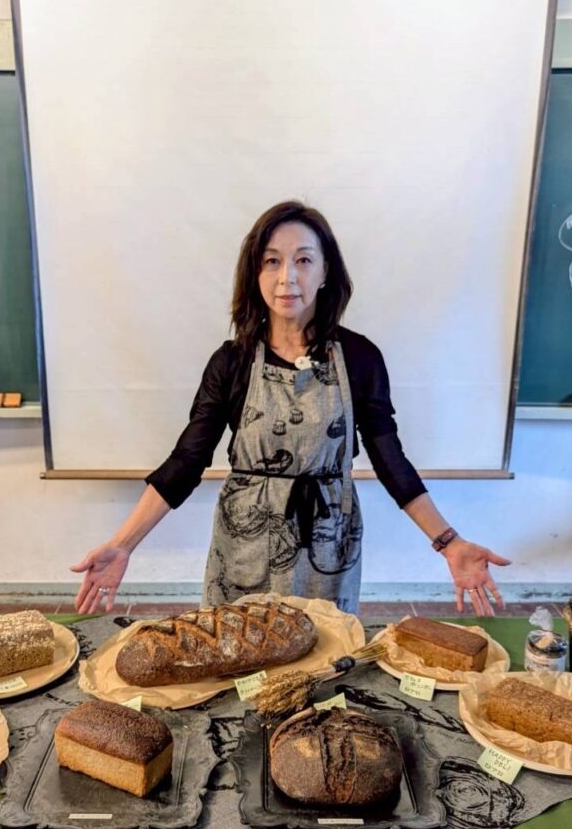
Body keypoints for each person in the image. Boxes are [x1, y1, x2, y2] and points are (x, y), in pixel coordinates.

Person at [72, 201, 510, 616]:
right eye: (272, 261)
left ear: (325, 271)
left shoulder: (359, 358)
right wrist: (123, 544)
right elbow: (187, 460)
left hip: (327, 547)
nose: (287, 278)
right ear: (255, 273)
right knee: (238, 652)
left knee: (325, 653)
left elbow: (390, 461)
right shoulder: (232, 362)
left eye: (303, 260)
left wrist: (449, 542)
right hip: (245, 547)